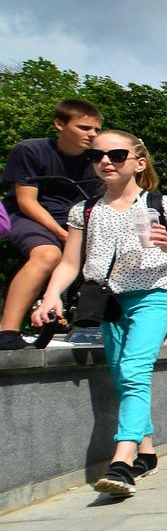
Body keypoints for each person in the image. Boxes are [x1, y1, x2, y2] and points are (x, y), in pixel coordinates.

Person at [31, 130, 167, 496]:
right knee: (123, 374)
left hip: (153, 294)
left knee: (136, 370)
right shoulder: (86, 211)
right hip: (105, 300)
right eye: (97, 156)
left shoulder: (160, 204)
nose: (105, 161)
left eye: (116, 155)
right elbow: (70, 262)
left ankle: (121, 463)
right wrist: (50, 295)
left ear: (139, 163)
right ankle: (147, 452)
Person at [1, 100, 103, 348]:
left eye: (97, 130)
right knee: (47, 254)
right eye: (84, 128)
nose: (92, 135)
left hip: (74, 221)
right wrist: (62, 234)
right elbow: (27, 201)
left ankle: (93, 324)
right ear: (59, 124)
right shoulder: (30, 150)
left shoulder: (99, 160)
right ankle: (7, 331)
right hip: (30, 216)